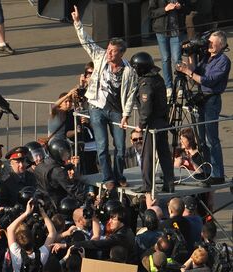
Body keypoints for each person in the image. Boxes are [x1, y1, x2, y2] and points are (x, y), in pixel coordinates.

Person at [71, 5, 138, 190]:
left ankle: (119, 174)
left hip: (117, 111)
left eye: (113, 51)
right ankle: (108, 177)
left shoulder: (128, 71)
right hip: (97, 108)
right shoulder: (100, 57)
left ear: (121, 53)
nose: (109, 52)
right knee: (101, 145)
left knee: (120, 147)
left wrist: (126, 114)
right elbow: (87, 42)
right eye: (108, 49)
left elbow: (131, 94)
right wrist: (77, 23)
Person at [176, 30, 231, 185]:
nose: (209, 45)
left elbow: (208, 81)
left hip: (212, 100)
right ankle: (206, 170)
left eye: (212, 42)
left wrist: (187, 71)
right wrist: (191, 54)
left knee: (211, 139)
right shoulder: (206, 57)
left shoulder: (223, 61)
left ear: (220, 44)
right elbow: (195, 71)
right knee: (201, 139)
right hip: (201, 99)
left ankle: (217, 174)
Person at [129, 52, 175, 194]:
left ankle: (147, 185)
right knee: (164, 154)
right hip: (162, 122)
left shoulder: (146, 84)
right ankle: (169, 183)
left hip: (152, 124)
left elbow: (146, 108)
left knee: (147, 155)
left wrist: (141, 125)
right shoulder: (157, 78)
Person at [149, 0, 188, 97]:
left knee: (176, 59)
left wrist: (181, 7)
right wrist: (165, 9)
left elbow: (188, 8)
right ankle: (168, 86)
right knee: (165, 58)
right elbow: (151, 13)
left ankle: (180, 86)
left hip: (177, 30)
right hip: (162, 31)